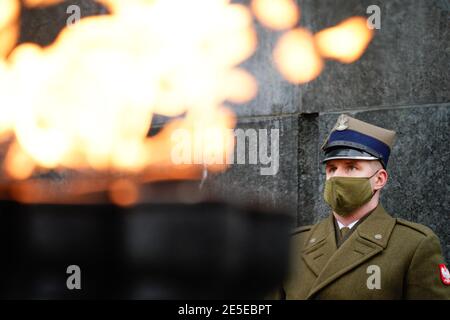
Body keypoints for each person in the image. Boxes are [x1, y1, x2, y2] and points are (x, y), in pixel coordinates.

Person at [278, 114, 450, 299]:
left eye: (351, 167)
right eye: (332, 169)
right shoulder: (293, 245)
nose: (337, 177)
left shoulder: (413, 245)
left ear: (379, 179)